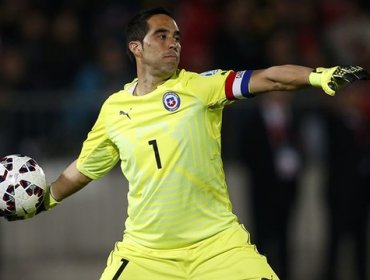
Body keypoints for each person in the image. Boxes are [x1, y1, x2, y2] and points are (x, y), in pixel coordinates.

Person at [1, 7, 369, 280]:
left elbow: (268, 78)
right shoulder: (115, 109)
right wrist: (44, 199)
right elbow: (82, 169)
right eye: (161, 35)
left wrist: (319, 76)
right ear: (136, 47)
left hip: (217, 247)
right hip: (147, 254)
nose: (173, 43)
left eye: (176, 36)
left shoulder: (200, 86)